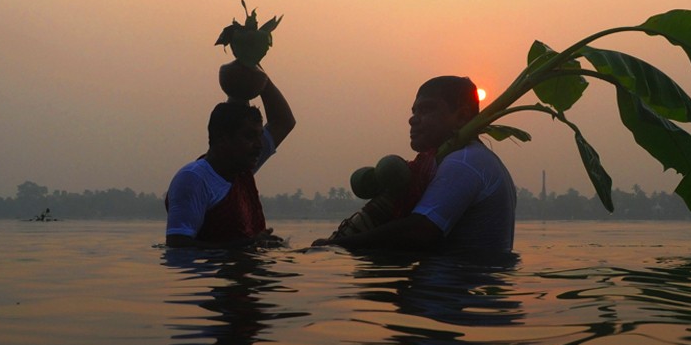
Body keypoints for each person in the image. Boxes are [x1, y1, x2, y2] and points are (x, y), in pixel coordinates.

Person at [314, 76, 515, 252]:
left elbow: (419, 232)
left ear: (461, 117)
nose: (413, 120)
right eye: (414, 111)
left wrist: (338, 245)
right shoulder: (471, 158)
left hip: (453, 292)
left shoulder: (464, 161)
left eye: (426, 110)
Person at [165, 74, 295, 248]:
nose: (258, 145)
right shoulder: (193, 179)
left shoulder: (241, 169)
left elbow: (283, 121)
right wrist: (249, 245)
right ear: (222, 138)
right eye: (249, 136)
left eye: (259, 136)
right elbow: (178, 248)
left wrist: (255, 69)